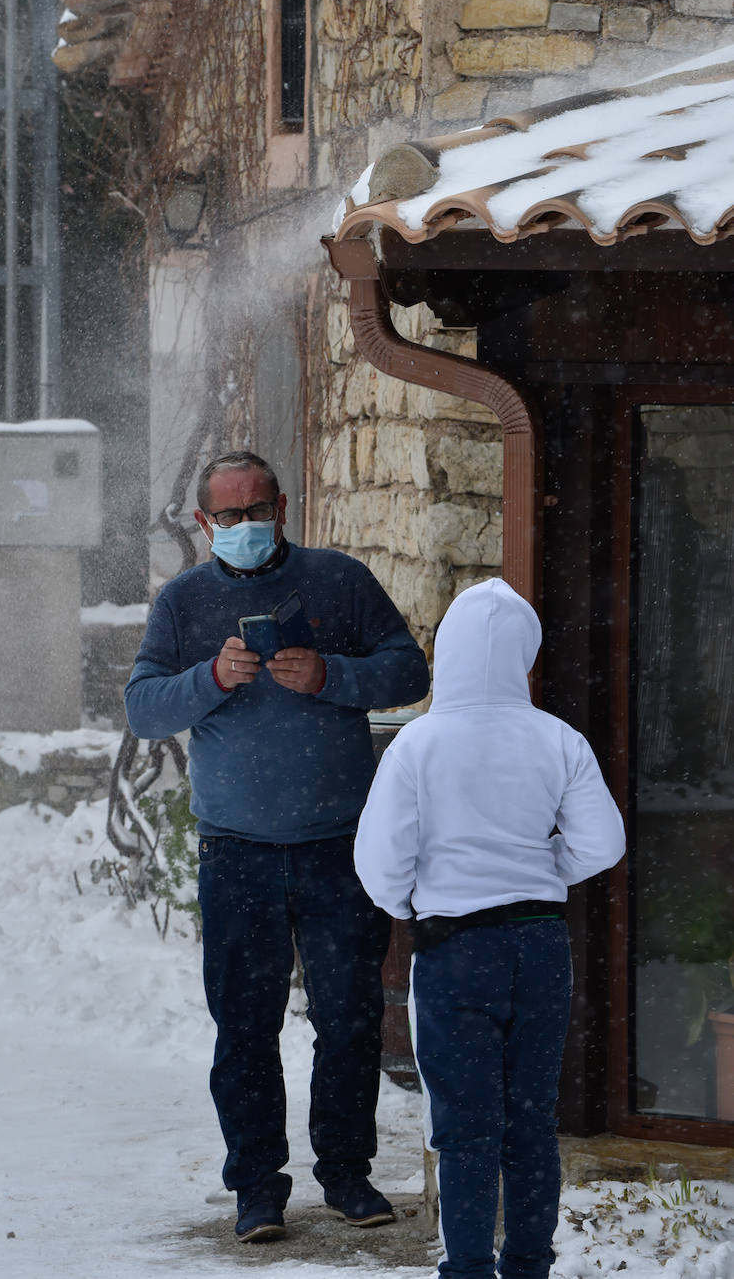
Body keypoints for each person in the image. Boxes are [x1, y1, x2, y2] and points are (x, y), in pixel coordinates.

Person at [125, 450, 429, 1243]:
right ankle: (257, 1189)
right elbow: (143, 708)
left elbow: (406, 669)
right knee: (246, 1029)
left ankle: (348, 1174)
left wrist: (330, 674)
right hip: (237, 852)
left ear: (283, 509)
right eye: (229, 516)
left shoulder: (339, 581)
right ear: (204, 524)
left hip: (339, 846)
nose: (246, 526)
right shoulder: (185, 603)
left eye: (258, 511)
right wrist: (211, 680)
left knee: (351, 1021)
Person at [354, 577, 625, 1279]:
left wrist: (410, 904)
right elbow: (604, 842)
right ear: (523, 655)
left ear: (448, 652)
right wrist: (544, 871)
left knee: (466, 1128)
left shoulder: (419, 744)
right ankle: (529, 1265)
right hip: (540, 945)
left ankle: (468, 1268)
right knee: (530, 1124)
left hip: (455, 948)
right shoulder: (557, 739)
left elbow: (380, 859)